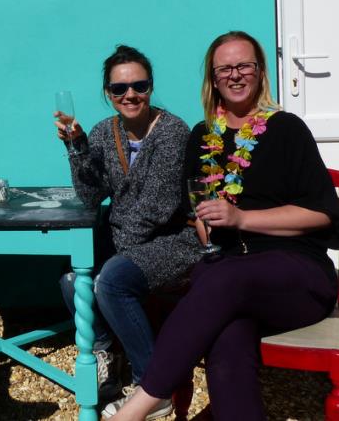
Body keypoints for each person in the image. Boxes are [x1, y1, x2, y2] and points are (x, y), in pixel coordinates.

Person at [108, 31, 339, 420]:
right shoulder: (203, 136)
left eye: (244, 65)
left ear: (260, 72)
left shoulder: (287, 129)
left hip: (297, 274)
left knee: (219, 278)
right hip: (231, 275)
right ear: (213, 79)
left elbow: (325, 213)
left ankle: (144, 400)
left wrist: (242, 218)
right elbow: (201, 214)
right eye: (225, 68)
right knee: (227, 340)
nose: (235, 75)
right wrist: (208, 224)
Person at [54, 45, 201, 417]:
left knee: (109, 279)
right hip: (128, 240)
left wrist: (112, 256)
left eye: (139, 85)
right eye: (119, 89)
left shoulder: (172, 132)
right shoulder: (105, 131)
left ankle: (153, 386)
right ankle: (106, 350)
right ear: (108, 93)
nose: (130, 95)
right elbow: (90, 195)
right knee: (72, 279)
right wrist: (76, 146)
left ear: (151, 87)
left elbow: (158, 207)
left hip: (172, 240)